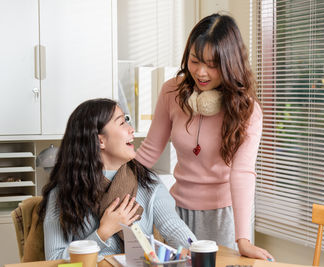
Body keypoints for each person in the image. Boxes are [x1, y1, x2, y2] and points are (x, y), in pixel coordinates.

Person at [135, 13, 274, 260]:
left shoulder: (248, 111)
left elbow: (242, 173)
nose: (201, 72)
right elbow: (149, 151)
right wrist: (108, 180)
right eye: (195, 60)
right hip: (176, 212)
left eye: (212, 65)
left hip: (224, 217)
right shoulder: (172, 92)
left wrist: (243, 240)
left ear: (230, 64)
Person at [38, 98, 196, 260]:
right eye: (122, 123)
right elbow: (54, 259)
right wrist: (103, 232)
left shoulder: (147, 181)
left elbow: (173, 227)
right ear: (100, 141)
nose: (131, 130)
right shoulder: (63, 192)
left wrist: (196, 250)